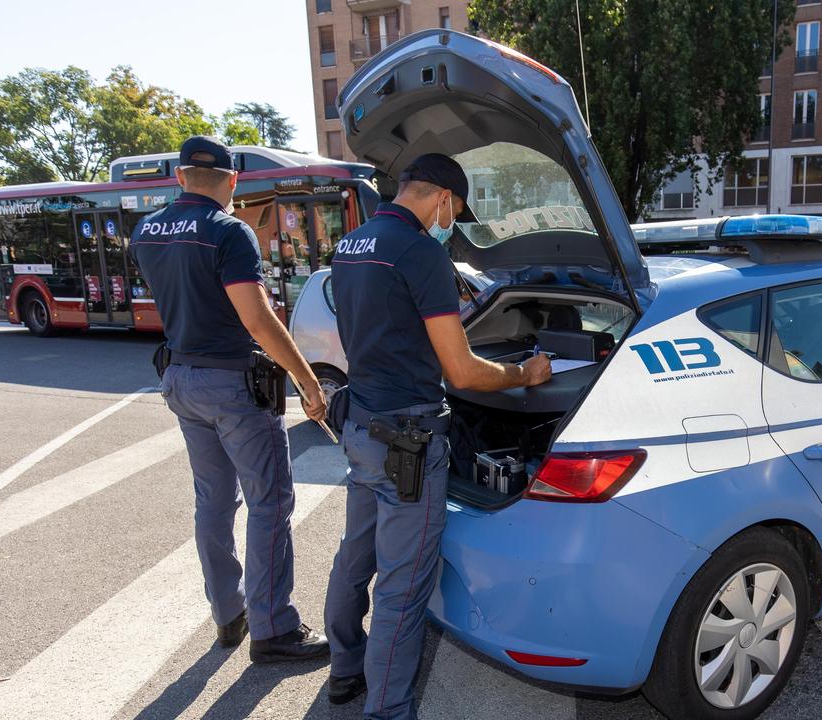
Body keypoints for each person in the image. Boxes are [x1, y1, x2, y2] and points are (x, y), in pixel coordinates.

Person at [323, 153, 551, 717]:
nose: (451, 221)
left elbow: (383, 328)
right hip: (408, 439)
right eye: (455, 210)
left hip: (359, 426)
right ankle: (388, 710)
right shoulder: (421, 251)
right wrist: (527, 374)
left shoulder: (353, 244)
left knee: (355, 554)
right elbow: (465, 372)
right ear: (444, 198)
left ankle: (344, 670)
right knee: (403, 585)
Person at [130, 136, 331, 663]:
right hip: (231, 385)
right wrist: (308, 382)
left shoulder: (147, 229)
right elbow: (257, 318)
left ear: (179, 177)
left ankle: (229, 615)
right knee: (269, 502)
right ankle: (274, 629)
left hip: (179, 378)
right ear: (232, 179)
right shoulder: (229, 231)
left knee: (213, 503)